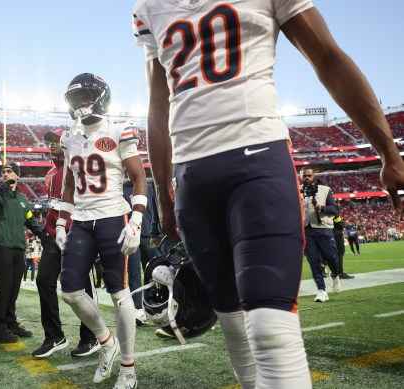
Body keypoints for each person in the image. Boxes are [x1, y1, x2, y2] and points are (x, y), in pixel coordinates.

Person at [134, 0, 404, 387]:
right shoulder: (148, 6)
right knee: (236, 332)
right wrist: (163, 190)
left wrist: (388, 152)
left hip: (257, 162)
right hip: (192, 179)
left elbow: (327, 59)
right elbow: (158, 106)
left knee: (271, 330)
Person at [57, 73, 147, 389]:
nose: (80, 103)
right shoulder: (68, 137)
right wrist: (59, 222)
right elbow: (69, 184)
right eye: (75, 99)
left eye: (85, 96)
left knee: (119, 294)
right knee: (69, 290)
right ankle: (105, 340)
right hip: (81, 222)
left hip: (112, 218)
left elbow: (138, 179)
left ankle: (128, 369)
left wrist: (136, 221)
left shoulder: (119, 130)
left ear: (100, 97)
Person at [31, 128, 99, 359]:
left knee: (82, 288)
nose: (50, 144)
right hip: (53, 237)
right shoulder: (50, 173)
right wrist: (46, 231)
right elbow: (53, 206)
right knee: (43, 281)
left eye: (55, 140)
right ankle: (54, 336)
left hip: (76, 234)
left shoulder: (77, 166)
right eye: (48, 141)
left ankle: (90, 337)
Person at [0, 162, 43, 344]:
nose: (5, 174)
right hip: (1, 248)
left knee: (14, 290)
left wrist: (45, 236)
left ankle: (10, 323)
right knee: (4, 290)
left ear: (17, 175)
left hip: (18, 250)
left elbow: (31, 222)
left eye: (9, 172)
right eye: (3, 172)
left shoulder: (23, 199)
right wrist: (1, 189)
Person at [299, 167, 341, 302]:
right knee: (313, 261)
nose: (307, 178)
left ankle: (335, 274)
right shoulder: (296, 190)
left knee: (331, 257)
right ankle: (321, 290)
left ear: (313, 176)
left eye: (309, 176)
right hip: (306, 229)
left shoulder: (324, 189)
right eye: (304, 175)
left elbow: (335, 209)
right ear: (301, 176)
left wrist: (322, 208)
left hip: (323, 227)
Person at [122, 180, 159, 325]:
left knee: (152, 274)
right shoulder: (121, 189)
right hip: (132, 237)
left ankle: (152, 306)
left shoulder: (149, 187)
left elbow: (155, 210)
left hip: (149, 237)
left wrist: (157, 232)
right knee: (135, 274)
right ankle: (138, 309)